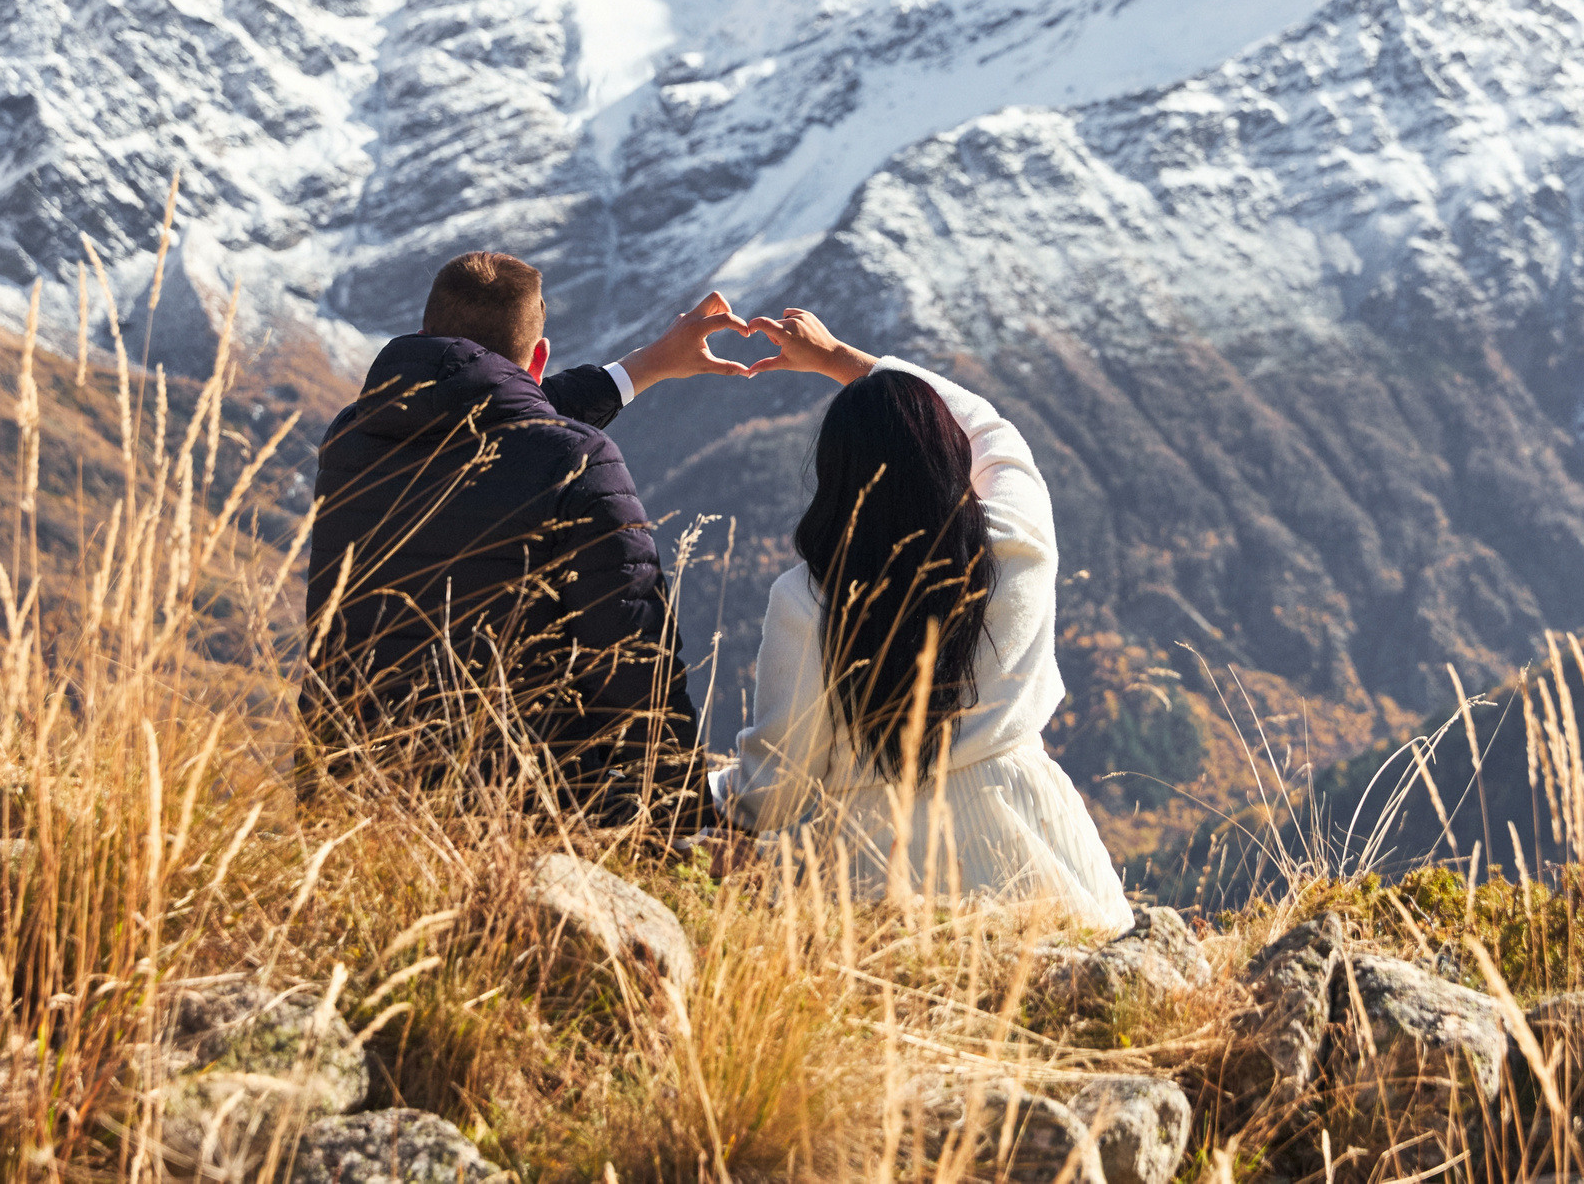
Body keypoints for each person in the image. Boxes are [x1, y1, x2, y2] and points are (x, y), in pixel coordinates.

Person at [709, 307, 1135, 932]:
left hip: (880, 875)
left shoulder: (807, 598)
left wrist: (705, 794)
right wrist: (837, 357)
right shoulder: (1019, 542)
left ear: (835, 477)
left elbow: (778, 788)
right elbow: (992, 429)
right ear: (950, 452)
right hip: (1035, 839)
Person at [301, 250, 752, 831]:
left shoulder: (351, 441)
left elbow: (495, 417)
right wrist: (688, 819)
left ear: (424, 337)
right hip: (520, 822)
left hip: (350, 808)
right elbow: (635, 666)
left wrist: (648, 365)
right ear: (538, 357)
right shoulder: (575, 462)